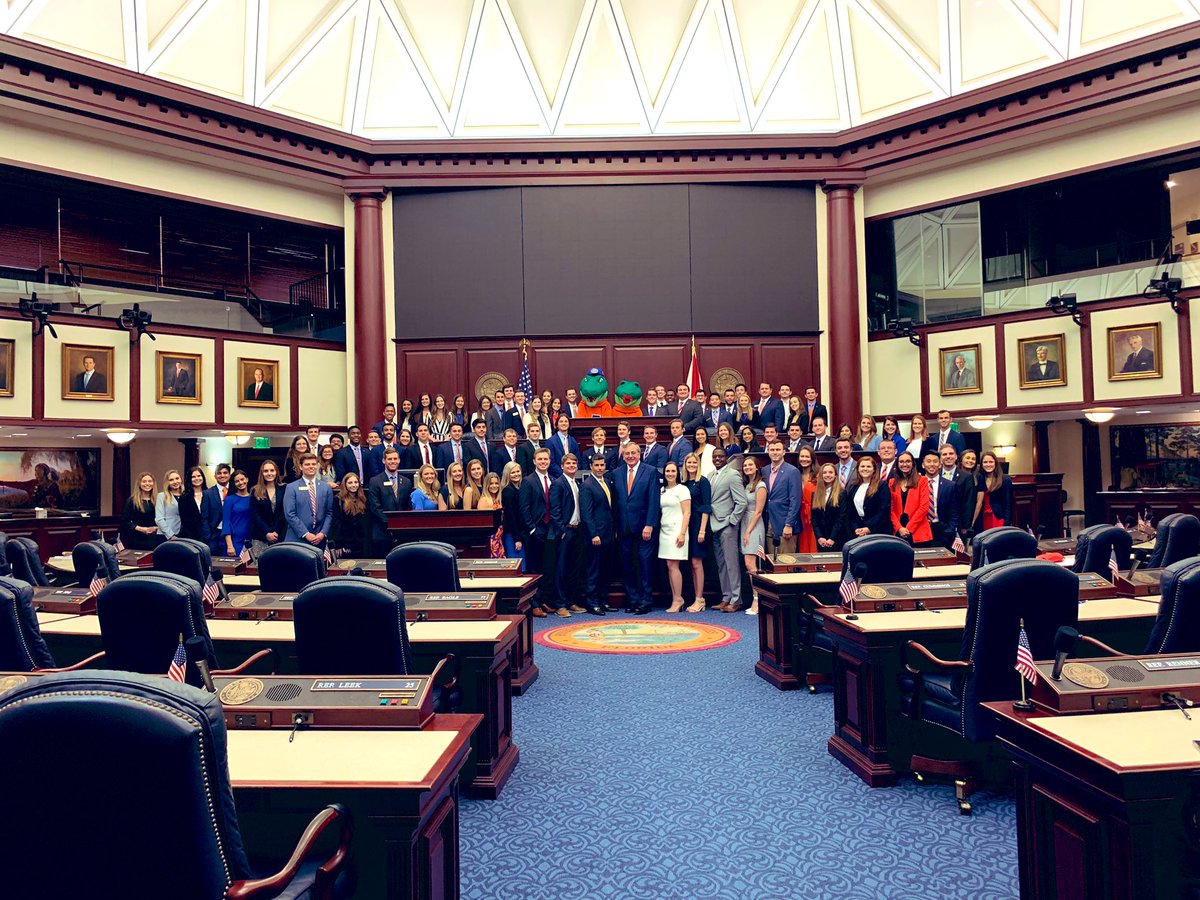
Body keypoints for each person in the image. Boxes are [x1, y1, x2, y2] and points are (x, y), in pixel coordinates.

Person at [614, 443, 661, 615]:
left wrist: (650, 524)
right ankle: (633, 600)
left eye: (633, 453)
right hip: (623, 528)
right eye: (627, 453)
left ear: (639, 454)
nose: (630, 456)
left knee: (645, 564)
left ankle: (645, 601)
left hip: (644, 528)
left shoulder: (650, 471)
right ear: (623, 455)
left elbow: (654, 500)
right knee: (627, 566)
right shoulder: (617, 473)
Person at [521, 448, 561, 614]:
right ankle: (534, 604)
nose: (543, 462)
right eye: (540, 459)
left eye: (546, 459)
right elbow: (524, 507)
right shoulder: (528, 481)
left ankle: (544, 600)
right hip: (535, 531)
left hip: (551, 531)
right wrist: (532, 529)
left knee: (548, 568)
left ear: (550, 461)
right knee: (534, 569)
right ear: (534, 461)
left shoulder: (553, 480)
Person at [707, 448, 747, 614]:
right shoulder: (710, 476)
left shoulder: (732, 474)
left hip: (728, 525)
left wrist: (732, 521)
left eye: (720, 456)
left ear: (726, 458)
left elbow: (742, 502)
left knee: (731, 563)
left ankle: (736, 599)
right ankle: (726, 597)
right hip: (713, 524)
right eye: (715, 456)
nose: (717, 459)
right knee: (721, 564)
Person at [550, 453, 587, 614]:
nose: (572, 466)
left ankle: (572, 601)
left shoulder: (577, 483)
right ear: (562, 466)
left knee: (575, 568)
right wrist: (561, 530)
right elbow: (555, 509)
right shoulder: (558, 483)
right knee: (561, 569)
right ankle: (560, 604)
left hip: (577, 530)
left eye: (574, 463)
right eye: (568, 464)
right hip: (565, 532)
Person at [578, 453, 615, 615]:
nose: (600, 468)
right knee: (594, 570)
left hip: (608, 534)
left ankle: (602, 600)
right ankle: (592, 602)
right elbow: (586, 514)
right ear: (591, 466)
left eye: (602, 465)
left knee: (606, 569)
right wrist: (594, 534)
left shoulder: (606, 481)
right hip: (596, 536)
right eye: (597, 465)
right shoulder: (587, 485)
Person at [656, 462, 692, 614]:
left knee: (673, 565)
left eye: (673, 471)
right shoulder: (662, 490)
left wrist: (682, 533)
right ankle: (676, 598)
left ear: (677, 473)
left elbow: (687, 513)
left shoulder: (682, 489)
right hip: (664, 531)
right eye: (667, 471)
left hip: (677, 531)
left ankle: (678, 599)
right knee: (669, 566)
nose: (670, 473)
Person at [680, 453, 711, 613]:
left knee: (696, 562)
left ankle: (700, 599)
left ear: (698, 464)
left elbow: (706, 506)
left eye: (694, 462)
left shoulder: (703, 481)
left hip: (699, 524)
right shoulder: (684, 483)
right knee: (691, 564)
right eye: (688, 462)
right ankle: (696, 598)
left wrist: (702, 529)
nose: (691, 464)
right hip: (687, 525)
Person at [283, 453, 334, 547]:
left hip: (319, 540)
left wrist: (323, 533)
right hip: (297, 539)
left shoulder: (326, 488)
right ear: (301, 467)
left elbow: (329, 513)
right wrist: (306, 534)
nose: (311, 467)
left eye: (313, 464)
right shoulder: (291, 487)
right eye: (307, 464)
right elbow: (290, 514)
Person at [367, 448, 412, 555]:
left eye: (395, 459)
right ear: (384, 461)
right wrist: (391, 523)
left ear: (399, 460)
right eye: (390, 459)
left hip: (402, 533)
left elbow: (408, 506)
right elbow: (375, 507)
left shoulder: (406, 481)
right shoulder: (375, 481)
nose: (393, 461)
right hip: (382, 532)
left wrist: (401, 524)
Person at [761, 439, 801, 556]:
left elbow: (795, 500)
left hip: (785, 524)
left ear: (784, 452)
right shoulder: (765, 470)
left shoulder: (792, 471)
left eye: (778, 450)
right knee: (772, 562)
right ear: (768, 452)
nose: (775, 452)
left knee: (786, 561)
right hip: (769, 523)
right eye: (772, 450)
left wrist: (789, 524)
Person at [739, 456, 767, 615]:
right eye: (745, 465)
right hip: (744, 523)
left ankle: (757, 600)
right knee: (748, 563)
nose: (747, 467)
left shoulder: (761, 485)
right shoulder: (747, 484)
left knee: (751, 563)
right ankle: (755, 598)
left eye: (750, 465)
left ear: (757, 467)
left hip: (754, 525)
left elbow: (758, 511)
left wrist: (748, 531)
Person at [841, 457, 890, 538]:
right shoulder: (853, 486)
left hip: (877, 530)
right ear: (858, 469)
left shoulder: (882, 485)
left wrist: (869, 528)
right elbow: (851, 511)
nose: (865, 469)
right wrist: (856, 527)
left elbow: (884, 510)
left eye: (868, 466)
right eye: (862, 466)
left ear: (874, 469)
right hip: (858, 531)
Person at [891, 452, 932, 546]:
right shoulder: (891, 483)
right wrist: (899, 528)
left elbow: (924, 507)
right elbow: (890, 509)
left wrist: (908, 529)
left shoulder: (922, 480)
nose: (904, 464)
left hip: (918, 531)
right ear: (897, 464)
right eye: (901, 461)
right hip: (897, 531)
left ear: (913, 463)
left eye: (908, 461)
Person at [924, 450, 960, 549]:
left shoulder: (950, 485)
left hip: (943, 530)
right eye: (928, 461)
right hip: (922, 529)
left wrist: (950, 529)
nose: (932, 464)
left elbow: (955, 511)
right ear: (923, 465)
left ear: (940, 464)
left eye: (935, 461)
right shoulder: (917, 484)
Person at [249, 460, 286, 559]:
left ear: (276, 472)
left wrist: (275, 531)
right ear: (262, 473)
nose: (269, 473)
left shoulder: (284, 489)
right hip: (260, 536)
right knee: (259, 567)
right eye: (266, 471)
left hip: (279, 535)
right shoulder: (255, 490)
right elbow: (255, 514)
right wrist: (267, 532)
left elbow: (284, 513)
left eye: (272, 470)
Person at [331, 473, 371, 557]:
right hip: (346, 543)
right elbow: (336, 523)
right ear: (345, 484)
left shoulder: (364, 498)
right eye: (350, 483)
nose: (353, 485)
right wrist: (339, 544)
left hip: (362, 543)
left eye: (356, 482)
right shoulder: (338, 500)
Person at [179, 466, 220, 549]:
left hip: (211, 537)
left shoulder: (211, 494)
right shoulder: (184, 497)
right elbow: (185, 521)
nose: (196, 478)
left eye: (199, 476)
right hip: (191, 538)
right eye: (193, 477)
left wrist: (208, 535)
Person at [121, 472, 162, 550]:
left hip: (155, 539)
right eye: (144, 481)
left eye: (150, 481)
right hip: (137, 539)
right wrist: (143, 529)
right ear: (139, 484)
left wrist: (157, 528)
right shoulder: (132, 501)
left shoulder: (159, 499)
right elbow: (125, 521)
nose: (147, 484)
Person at [810, 463, 845, 551]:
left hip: (836, 539)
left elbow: (841, 518)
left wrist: (832, 538)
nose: (827, 475)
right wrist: (819, 537)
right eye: (824, 473)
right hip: (821, 540)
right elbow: (814, 518)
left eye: (830, 472)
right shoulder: (815, 494)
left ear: (835, 475)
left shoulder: (842, 493)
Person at [499, 462, 527, 572]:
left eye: (518, 471)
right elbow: (510, 517)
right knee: (516, 567)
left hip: (518, 533)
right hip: (512, 535)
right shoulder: (508, 491)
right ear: (507, 474)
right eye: (513, 472)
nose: (516, 474)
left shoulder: (518, 488)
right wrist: (517, 539)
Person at [222, 469, 253, 558]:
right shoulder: (229, 499)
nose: (240, 482)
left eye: (242, 479)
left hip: (251, 541)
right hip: (234, 542)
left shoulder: (254, 498)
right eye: (237, 481)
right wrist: (230, 545)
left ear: (247, 479)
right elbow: (226, 522)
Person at [978, 451, 1014, 530]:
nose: (988, 465)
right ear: (981, 464)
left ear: (995, 463)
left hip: (998, 517)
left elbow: (1008, 504)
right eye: (985, 462)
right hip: (983, 517)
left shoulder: (1005, 479)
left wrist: (1007, 524)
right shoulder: (980, 478)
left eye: (991, 462)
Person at [797, 447, 818, 554]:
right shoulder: (795, 475)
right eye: (802, 456)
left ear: (812, 459)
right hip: (799, 516)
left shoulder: (818, 476)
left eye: (807, 456)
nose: (804, 459)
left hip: (814, 517)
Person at [960, 448, 985, 532]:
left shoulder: (979, 477)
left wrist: (972, 522)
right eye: (967, 458)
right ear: (961, 459)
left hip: (974, 517)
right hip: (957, 518)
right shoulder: (955, 475)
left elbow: (979, 502)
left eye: (973, 459)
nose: (970, 461)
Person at [154, 469, 183, 540]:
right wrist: (171, 535)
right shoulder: (161, 496)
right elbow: (159, 519)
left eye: (177, 478)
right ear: (167, 482)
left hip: (183, 534)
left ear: (181, 479)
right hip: (166, 535)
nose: (175, 482)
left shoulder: (186, 495)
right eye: (171, 480)